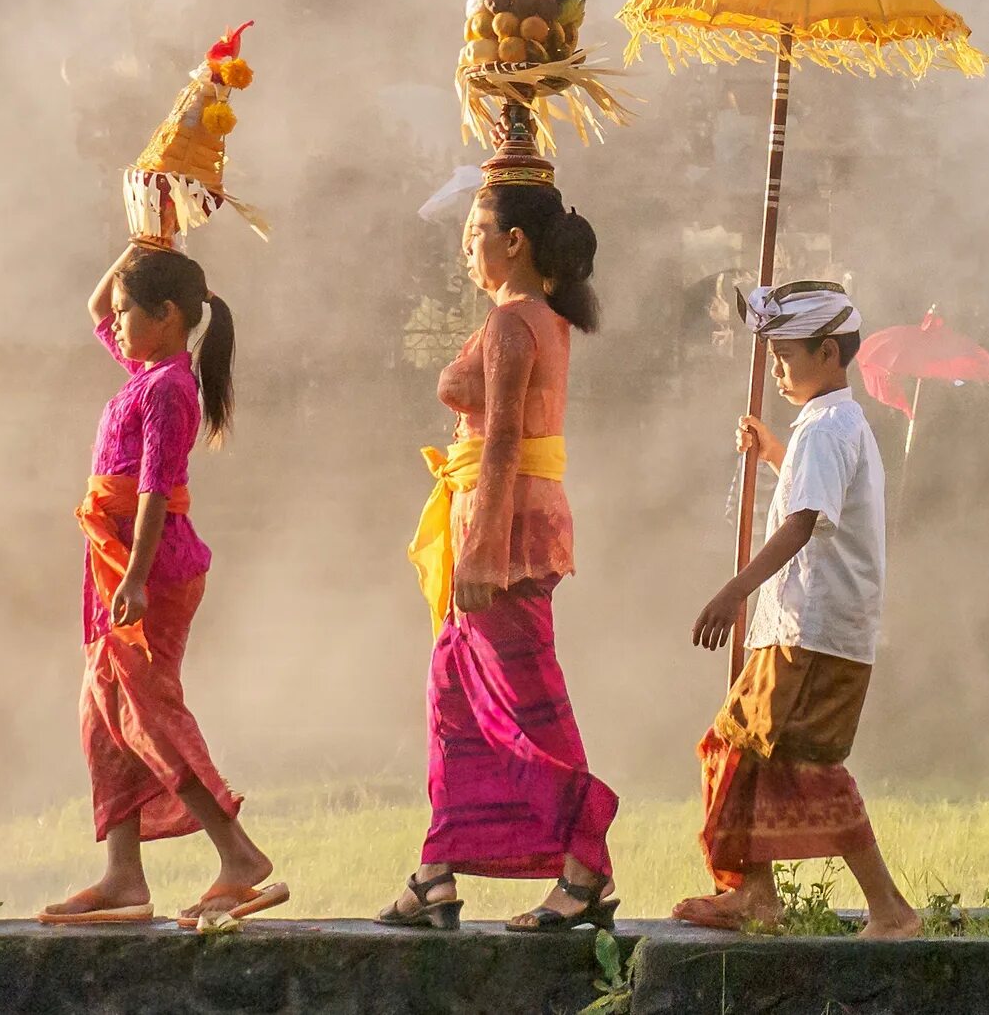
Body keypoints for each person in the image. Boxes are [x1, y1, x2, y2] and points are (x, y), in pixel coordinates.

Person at [380, 175, 619, 934]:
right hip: (495, 522)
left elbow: (506, 440)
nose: (465, 250)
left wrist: (481, 557)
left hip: (503, 531)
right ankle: (435, 872)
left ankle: (585, 869)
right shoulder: (533, 319)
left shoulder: (517, 324)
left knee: (524, 699)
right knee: (453, 698)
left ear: (514, 242)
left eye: (475, 234)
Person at [39, 244, 284, 928]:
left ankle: (239, 855)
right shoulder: (144, 372)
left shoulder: (171, 387)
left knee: (146, 708)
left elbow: (154, 491)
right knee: (103, 712)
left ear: (167, 315)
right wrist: (142, 237)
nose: (113, 324)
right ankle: (123, 876)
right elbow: (93, 306)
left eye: (127, 314)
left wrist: (140, 577)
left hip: (153, 566)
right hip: (113, 560)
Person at [671, 282, 921, 938]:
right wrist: (774, 451)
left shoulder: (830, 428)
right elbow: (814, 494)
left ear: (830, 354)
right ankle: (754, 893)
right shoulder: (828, 426)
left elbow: (805, 521)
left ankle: (889, 909)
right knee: (741, 749)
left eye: (786, 355)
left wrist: (734, 589)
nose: (777, 370)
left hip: (811, 632)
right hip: (797, 630)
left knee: (803, 765)